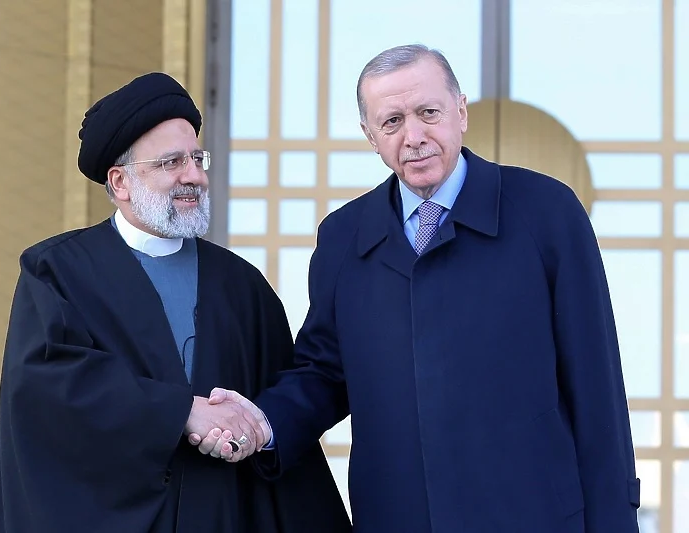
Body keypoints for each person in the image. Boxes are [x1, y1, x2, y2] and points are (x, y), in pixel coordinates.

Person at [191, 44, 642, 532]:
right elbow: (324, 373)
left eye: (429, 113)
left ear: (460, 112)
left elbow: (596, 385)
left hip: (534, 516)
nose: (414, 137)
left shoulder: (547, 212)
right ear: (370, 136)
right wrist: (261, 423)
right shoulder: (344, 237)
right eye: (392, 122)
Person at [0, 72, 352, 533]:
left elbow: (275, 398)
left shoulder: (242, 285)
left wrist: (252, 429)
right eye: (171, 162)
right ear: (120, 182)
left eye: (197, 158)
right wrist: (181, 412)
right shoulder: (58, 272)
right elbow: (50, 393)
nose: (193, 176)